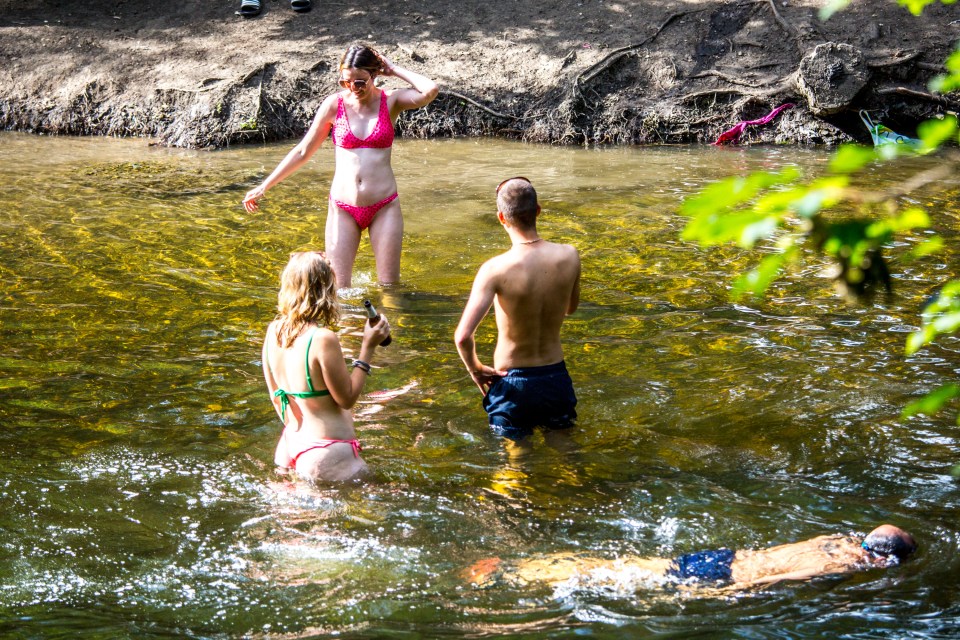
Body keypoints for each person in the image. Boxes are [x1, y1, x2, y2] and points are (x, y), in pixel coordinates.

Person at [243, 45, 438, 288]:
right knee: (339, 291)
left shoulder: (392, 101)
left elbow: (430, 90)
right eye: (346, 82)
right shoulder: (334, 105)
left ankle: (386, 326)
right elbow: (303, 151)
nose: (353, 89)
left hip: (384, 207)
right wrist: (264, 186)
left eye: (360, 82)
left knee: (390, 290)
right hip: (343, 208)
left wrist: (394, 69)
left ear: (374, 76)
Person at [454, 177, 581, 441]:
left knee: (515, 468)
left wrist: (475, 369)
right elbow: (570, 308)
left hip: (512, 382)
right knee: (568, 456)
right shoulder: (570, 255)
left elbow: (463, 337)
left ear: (501, 217)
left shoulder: (495, 269)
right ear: (538, 210)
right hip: (555, 377)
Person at [262, 251, 390, 483]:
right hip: (327, 452)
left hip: (290, 444)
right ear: (325, 290)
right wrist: (368, 346)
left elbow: (275, 397)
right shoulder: (322, 338)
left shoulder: (273, 331)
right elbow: (347, 399)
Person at [464, 524, 918, 589]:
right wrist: (740, 593)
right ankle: (510, 574)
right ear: (884, 559)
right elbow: (785, 579)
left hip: (724, 555)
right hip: (724, 577)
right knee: (615, 579)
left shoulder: (836, 539)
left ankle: (518, 567)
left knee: (627, 567)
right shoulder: (843, 562)